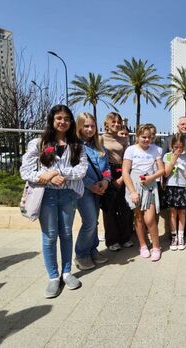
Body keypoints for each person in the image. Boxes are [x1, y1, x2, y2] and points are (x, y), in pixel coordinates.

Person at [20, 105, 87, 298]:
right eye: (59, 118)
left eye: (66, 118)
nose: (62, 122)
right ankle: (53, 277)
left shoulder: (76, 145)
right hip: (46, 195)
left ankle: (67, 272)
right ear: (52, 119)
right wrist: (47, 176)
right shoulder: (39, 143)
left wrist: (59, 173)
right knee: (50, 235)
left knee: (66, 233)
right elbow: (25, 171)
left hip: (68, 195)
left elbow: (81, 171)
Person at [122, 124, 165, 261]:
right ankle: (143, 245)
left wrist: (150, 178)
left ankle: (156, 246)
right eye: (143, 137)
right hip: (134, 184)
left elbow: (161, 170)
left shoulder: (155, 150)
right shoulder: (130, 150)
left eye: (148, 137)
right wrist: (133, 192)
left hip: (150, 185)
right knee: (139, 217)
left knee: (150, 219)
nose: (146, 140)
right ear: (137, 136)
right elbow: (125, 172)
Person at [74, 112, 111, 271]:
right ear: (79, 127)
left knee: (94, 222)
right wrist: (91, 185)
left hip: (99, 189)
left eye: (92, 126)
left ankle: (92, 249)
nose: (90, 129)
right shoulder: (74, 146)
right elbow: (74, 171)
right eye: (86, 126)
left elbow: (107, 169)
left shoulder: (99, 146)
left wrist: (105, 181)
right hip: (84, 190)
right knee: (89, 222)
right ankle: (81, 254)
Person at [100, 112, 134, 251]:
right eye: (112, 122)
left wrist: (122, 178)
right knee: (110, 208)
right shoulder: (101, 139)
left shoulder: (124, 139)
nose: (116, 124)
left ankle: (125, 237)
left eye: (118, 122)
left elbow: (128, 159)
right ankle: (112, 240)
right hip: (108, 171)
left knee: (125, 206)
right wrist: (109, 178)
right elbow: (100, 160)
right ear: (106, 124)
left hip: (123, 171)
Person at [163, 133, 186, 251]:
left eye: (180, 147)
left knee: (182, 213)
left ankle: (181, 236)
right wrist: (173, 160)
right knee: (172, 213)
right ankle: (174, 236)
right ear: (172, 146)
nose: (178, 149)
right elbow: (165, 173)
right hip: (171, 186)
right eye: (176, 147)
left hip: (183, 186)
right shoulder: (167, 156)